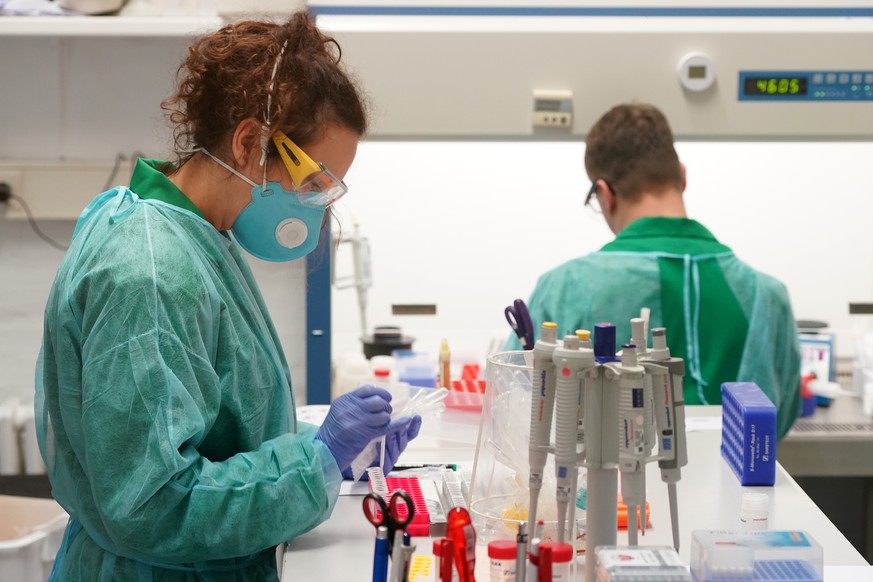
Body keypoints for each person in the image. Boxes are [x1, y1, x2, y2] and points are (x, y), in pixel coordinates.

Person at [35, 13, 421, 581]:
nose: (317, 207)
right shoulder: (151, 271)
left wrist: (334, 452)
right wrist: (317, 462)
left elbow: (213, 431)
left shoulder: (190, 234)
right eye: (314, 184)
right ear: (248, 143)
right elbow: (153, 507)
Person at [507, 103, 801, 439]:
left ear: (604, 194)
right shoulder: (768, 294)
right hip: (741, 489)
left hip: (600, 491)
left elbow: (517, 400)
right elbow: (782, 414)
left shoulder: (564, 286)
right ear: (683, 176)